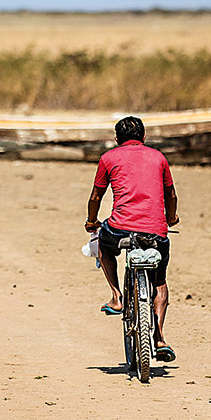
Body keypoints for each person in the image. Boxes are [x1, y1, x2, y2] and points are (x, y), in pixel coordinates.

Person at [84, 115, 179, 362]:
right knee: (160, 281)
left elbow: (96, 196)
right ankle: (159, 338)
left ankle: (116, 296)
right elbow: (170, 194)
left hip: (120, 228)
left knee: (103, 245)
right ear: (144, 138)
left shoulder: (108, 158)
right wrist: (171, 217)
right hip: (155, 231)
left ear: (117, 139)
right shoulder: (158, 157)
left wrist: (91, 221)